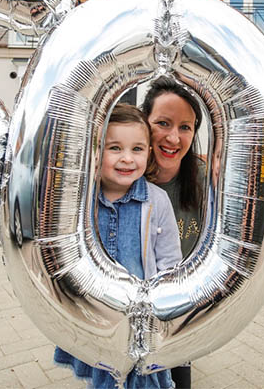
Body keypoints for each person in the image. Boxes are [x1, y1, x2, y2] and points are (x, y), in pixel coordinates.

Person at [54, 103, 181, 389]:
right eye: (115, 148)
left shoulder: (157, 201)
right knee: (104, 375)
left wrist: (161, 311)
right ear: (96, 151)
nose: (127, 159)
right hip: (99, 318)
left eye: (137, 149)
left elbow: (171, 262)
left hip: (143, 322)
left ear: (149, 152)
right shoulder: (82, 200)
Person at [141, 77, 207, 389]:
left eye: (185, 127)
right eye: (163, 123)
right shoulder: (122, 179)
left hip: (179, 314)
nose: (173, 137)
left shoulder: (206, 183)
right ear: (145, 123)